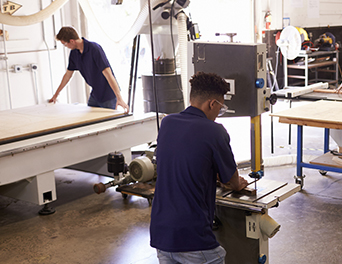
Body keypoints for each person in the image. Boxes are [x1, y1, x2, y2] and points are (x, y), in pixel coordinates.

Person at [150, 72, 249, 264]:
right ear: (212, 104)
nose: (219, 113)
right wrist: (237, 184)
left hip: (161, 235)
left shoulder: (167, 123)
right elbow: (231, 179)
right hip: (193, 238)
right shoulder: (214, 130)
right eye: (221, 107)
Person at [48, 26, 129, 113]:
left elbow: (108, 73)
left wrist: (119, 97)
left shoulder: (94, 49)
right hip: (95, 93)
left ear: (72, 41)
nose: (65, 46)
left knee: (107, 123)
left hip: (108, 94)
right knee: (90, 119)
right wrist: (56, 95)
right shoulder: (74, 53)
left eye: (65, 44)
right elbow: (67, 75)